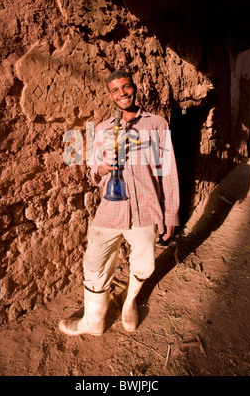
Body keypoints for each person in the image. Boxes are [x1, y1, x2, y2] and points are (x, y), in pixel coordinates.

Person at [59, 69, 180, 336]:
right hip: (111, 208)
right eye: (115, 90)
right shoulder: (102, 129)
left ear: (134, 88)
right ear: (110, 95)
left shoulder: (156, 123)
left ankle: (128, 303)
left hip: (146, 208)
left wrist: (170, 215)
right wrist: (102, 168)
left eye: (125, 87)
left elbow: (167, 171)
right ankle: (94, 321)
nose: (121, 93)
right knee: (93, 262)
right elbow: (93, 171)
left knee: (144, 263)